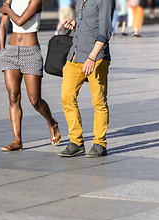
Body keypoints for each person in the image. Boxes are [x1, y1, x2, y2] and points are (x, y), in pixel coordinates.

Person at [0, 0, 61, 151]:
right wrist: (2, 50)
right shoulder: (10, 0)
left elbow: (19, 21)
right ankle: (17, 141)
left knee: (35, 101)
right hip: (11, 52)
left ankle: (52, 122)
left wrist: (7, 8)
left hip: (31, 53)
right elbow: (2, 25)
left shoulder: (36, 1)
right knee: (13, 96)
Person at [58, 0, 112, 158]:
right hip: (75, 55)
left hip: (96, 57)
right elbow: (90, 22)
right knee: (66, 96)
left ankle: (100, 143)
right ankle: (76, 142)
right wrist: (76, 24)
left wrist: (92, 57)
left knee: (99, 101)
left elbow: (105, 31)